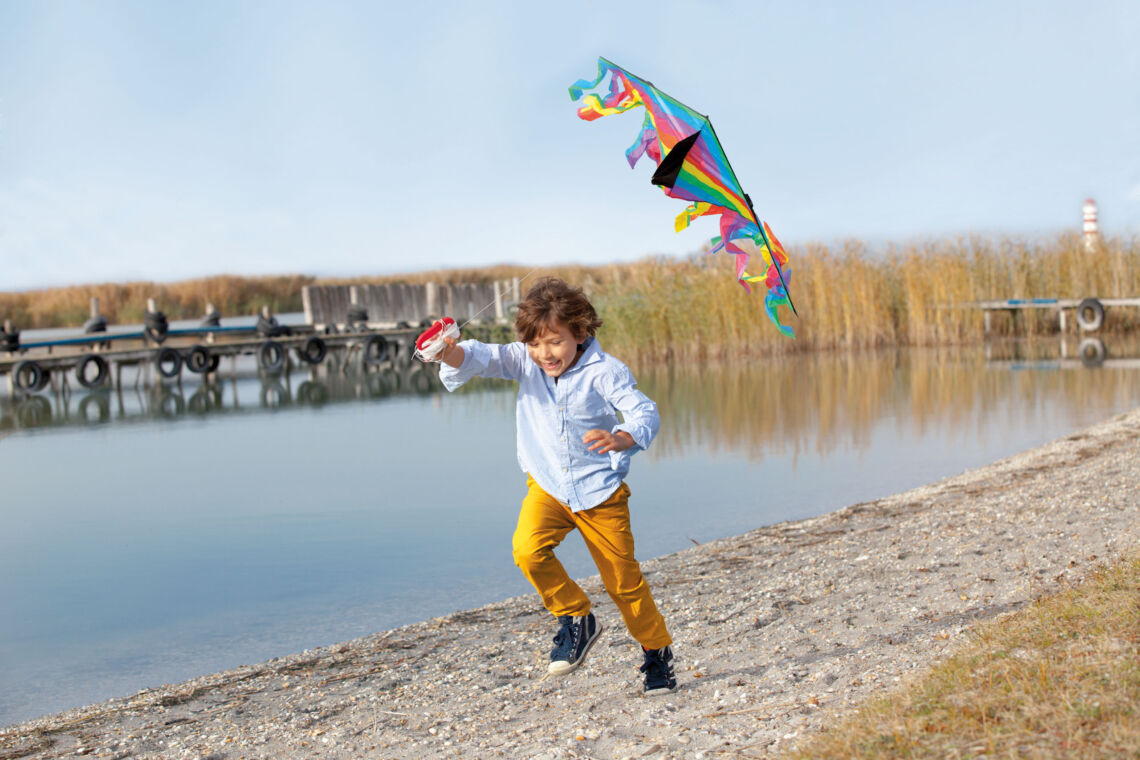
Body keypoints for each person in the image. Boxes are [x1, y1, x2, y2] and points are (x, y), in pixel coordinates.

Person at [432, 277, 678, 696]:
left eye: (555, 343)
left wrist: (623, 437)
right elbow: (480, 357)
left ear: (580, 333)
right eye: (535, 344)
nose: (544, 354)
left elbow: (643, 410)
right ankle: (575, 616)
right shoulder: (524, 361)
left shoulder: (605, 371)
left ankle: (657, 653)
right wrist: (447, 350)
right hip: (546, 485)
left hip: (599, 493)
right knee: (527, 550)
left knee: (624, 582)